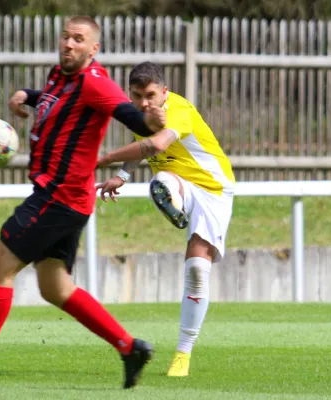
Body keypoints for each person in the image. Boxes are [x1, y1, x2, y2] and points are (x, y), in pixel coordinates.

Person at [0, 16, 166, 390]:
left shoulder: (95, 83)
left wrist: (150, 122)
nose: (69, 44)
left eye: (79, 40)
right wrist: (27, 95)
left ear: (93, 49)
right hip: (68, 198)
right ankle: (128, 347)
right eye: (66, 37)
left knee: (0, 262)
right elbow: (53, 100)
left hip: (60, 196)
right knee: (55, 287)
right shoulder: (60, 76)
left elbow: (127, 113)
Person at [96, 61, 236, 377]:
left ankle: (183, 355)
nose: (144, 102)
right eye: (137, 96)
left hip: (213, 189)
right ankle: (174, 204)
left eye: (150, 95)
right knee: (160, 183)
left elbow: (157, 143)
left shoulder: (179, 110)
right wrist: (121, 175)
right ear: (130, 95)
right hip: (178, 183)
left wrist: (104, 159)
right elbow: (145, 147)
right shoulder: (140, 116)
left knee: (199, 271)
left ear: (164, 92)